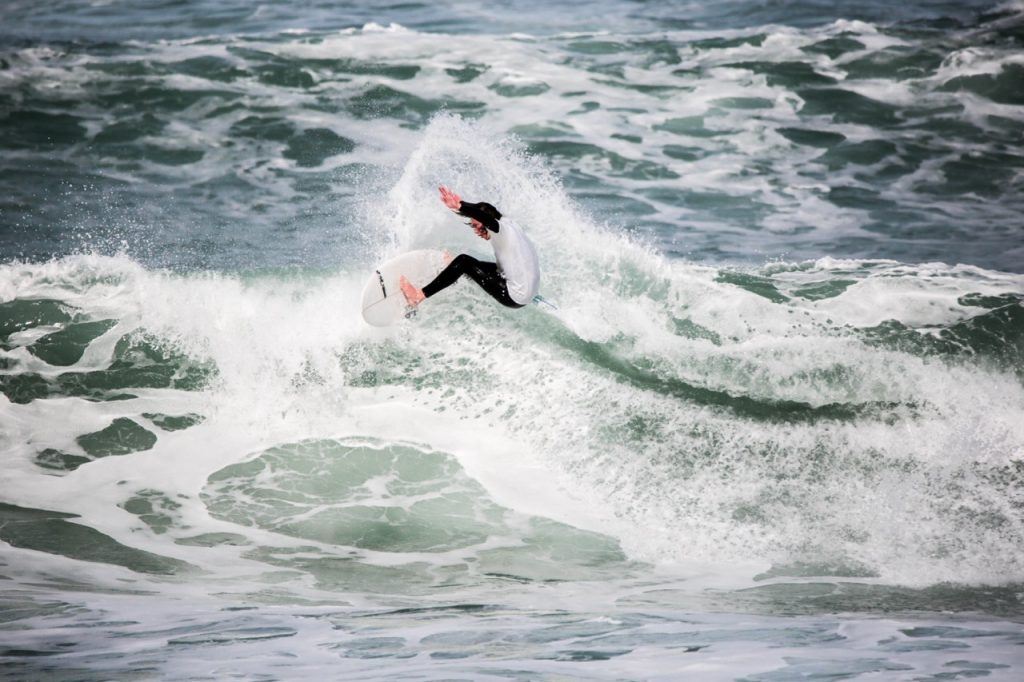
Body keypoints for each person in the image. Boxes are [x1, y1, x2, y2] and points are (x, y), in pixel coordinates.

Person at [399, 186, 540, 310]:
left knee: (464, 261)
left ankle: (418, 296)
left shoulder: (500, 229)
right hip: (528, 291)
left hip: (514, 297)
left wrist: (460, 206)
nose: (476, 231)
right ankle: (455, 270)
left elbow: (485, 217)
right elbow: (484, 212)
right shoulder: (510, 224)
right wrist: (463, 203)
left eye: (477, 226)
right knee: (481, 266)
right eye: (473, 226)